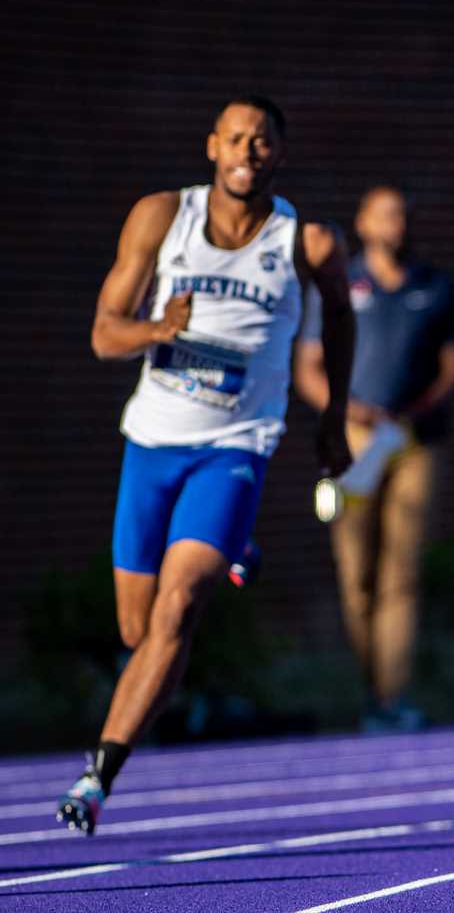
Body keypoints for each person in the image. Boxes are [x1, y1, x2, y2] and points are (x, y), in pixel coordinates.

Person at [55, 95, 354, 835]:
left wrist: (334, 418)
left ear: (277, 156)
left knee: (180, 606)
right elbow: (102, 333)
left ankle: (98, 775)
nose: (248, 153)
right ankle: (234, 544)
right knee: (135, 631)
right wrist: (158, 328)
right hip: (154, 441)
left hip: (237, 444)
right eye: (236, 139)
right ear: (212, 146)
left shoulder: (306, 242)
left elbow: (341, 320)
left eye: (263, 143)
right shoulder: (163, 217)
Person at [294, 185, 454, 732]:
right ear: (363, 223)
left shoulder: (436, 286)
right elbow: (308, 369)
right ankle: (366, 689)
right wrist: (350, 410)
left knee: (401, 572)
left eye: (403, 215)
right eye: (385, 215)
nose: (397, 224)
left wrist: (414, 410)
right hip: (354, 443)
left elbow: (452, 366)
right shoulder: (337, 284)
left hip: (415, 441)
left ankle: (393, 697)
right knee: (356, 575)